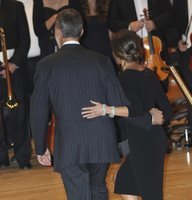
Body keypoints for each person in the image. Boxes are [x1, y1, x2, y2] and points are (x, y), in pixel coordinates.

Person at [30, 9, 163, 200]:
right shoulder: (101, 61)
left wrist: (41, 147)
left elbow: (38, 110)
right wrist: (147, 119)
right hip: (102, 141)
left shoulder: (46, 65)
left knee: (79, 195)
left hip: (70, 144)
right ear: (82, 31)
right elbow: (120, 103)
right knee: (98, 189)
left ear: (57, 31)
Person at [82, 30, 172, 200]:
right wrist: (153, 117)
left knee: (151, 195)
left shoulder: (124, 79)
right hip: (152, 140)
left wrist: (107, 110)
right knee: (123, 181)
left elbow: (135, 110)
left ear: (117, 55)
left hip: (145, 145)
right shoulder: (148, 73)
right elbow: (166, 109)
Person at [0, 0, 32, 169]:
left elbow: (24, 40)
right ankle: (1, 156)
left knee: (19, 113)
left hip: (14, 67)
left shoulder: (16, 6)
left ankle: (23, 156)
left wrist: (12, 65)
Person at [166, 0, 192, 147]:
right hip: (190, 55)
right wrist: (178, 41)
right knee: (191, 93)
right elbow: (172, 26)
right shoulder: (180, 2)